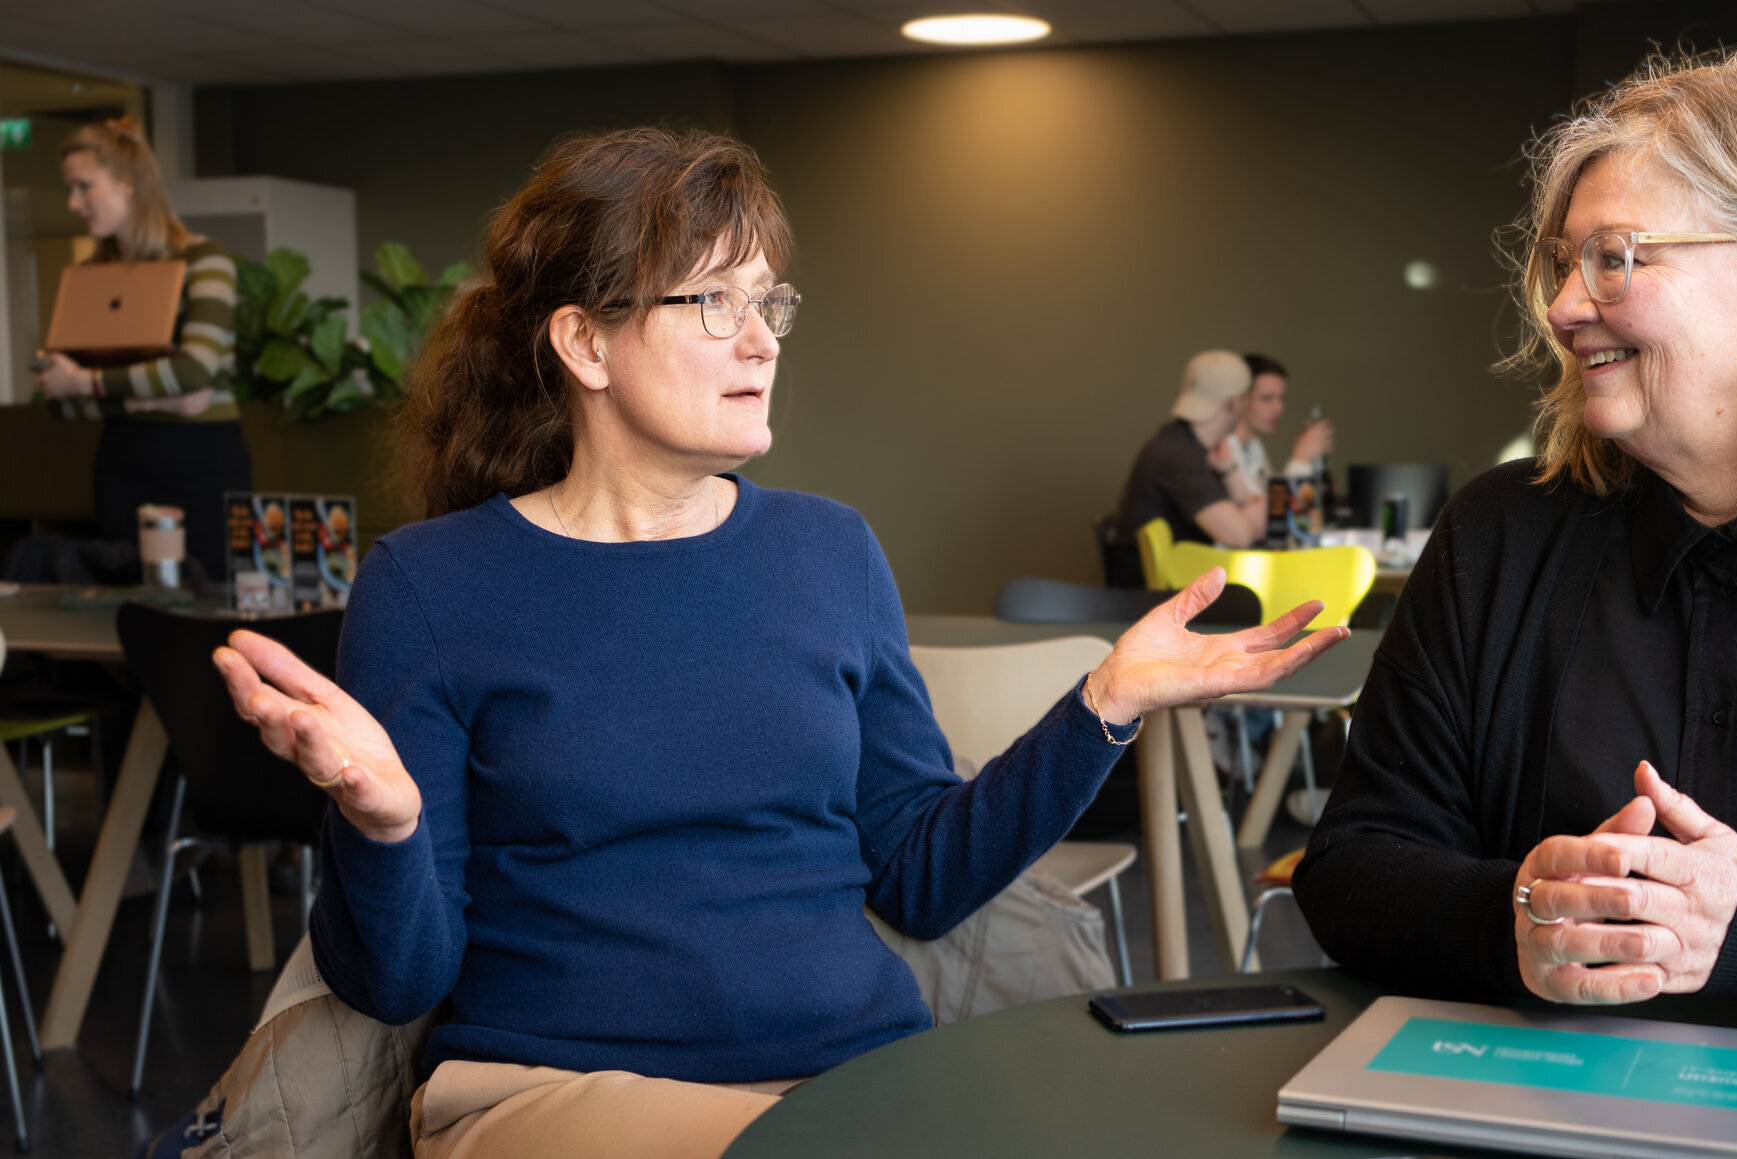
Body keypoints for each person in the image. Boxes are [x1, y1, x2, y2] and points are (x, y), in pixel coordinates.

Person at [212, 128, 1345, 1159]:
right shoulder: (431, 585)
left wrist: (1105, 701)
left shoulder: (828, 551)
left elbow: (922, 877)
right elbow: (398, 976)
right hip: (555, 1090)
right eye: (712, 301)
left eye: (769, 301)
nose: (759, 341)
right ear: (584, 343)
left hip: (854, 1077)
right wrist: (384, 821)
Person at [1294, 43, 1737, 1037]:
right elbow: (1353, 863)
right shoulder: (1497, 534)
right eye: (1562, 262)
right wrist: (1514, 917)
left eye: (1614, 257)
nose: (1561, 306)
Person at [34, 117, 248, 584]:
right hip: (124, 462)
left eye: (84, 187)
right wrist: (153, 395)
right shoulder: (88, 276)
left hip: (204, 461)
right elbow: (57, 400)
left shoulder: (204, 259)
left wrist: (88, 382)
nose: (73, 203)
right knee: (129, 601)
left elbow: (193, 371)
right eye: (70, 188)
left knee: (211, 600)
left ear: (129, 184)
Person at [1105, 351, 1263, 589]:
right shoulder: (1178, 455)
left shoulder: (1187, 445)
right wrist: (1258, 503)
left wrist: (1229, 472)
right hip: (1147, 599)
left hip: (1173, 585)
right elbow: (1239, 535)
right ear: (1233, 403)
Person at [1218, 353, 1333, 507]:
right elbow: (1270, 511)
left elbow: (1269, 501)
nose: (1279, 408)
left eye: (1281, 398)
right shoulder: (1221, 449)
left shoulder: (1254, 446)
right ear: (1240, 399)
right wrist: (1300, 459)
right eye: (1266, 398)